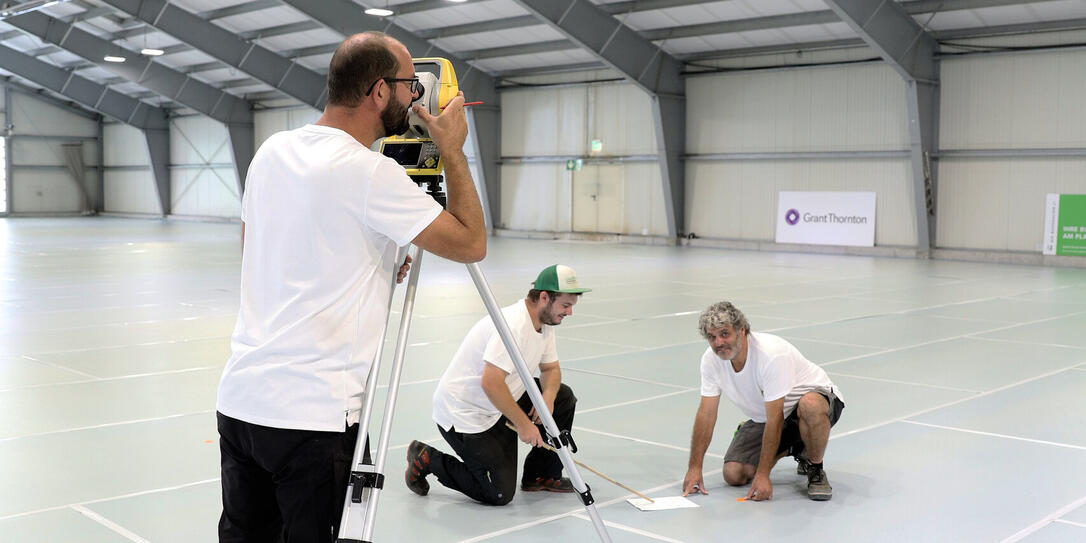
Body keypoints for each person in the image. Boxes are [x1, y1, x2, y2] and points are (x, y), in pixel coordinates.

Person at [215, 32, 486, 542]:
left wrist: (370, 262)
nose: (413, 98)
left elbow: (260, 249)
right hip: (311, 417)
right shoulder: (370, 173)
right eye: (408, 86)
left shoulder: (271, 151)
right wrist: (451, 150)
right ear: (379, 92)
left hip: (241, 403)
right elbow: (471, 242)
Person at [404, 265, 590, 505]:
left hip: (500, 400)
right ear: (544, 297)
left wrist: (548, 397)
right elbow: (490, 383)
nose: (569, 312)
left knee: (562, 397)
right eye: (566, 305)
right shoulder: (513, 325)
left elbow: (551, 369)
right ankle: (427, 458)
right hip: (467, 412)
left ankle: (540, 474)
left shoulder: (545, 322)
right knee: (498, 493)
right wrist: (523, 424)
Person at [682, 301, 845, 502]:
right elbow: (706, 414)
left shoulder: (770, 355)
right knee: (734, 474)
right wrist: (694, 468)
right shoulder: (710, 360)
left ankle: (815, 467)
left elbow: (775, 417)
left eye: (725, 334)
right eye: (712, 337)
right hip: (769, 417)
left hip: (813, 404)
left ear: (741, 330)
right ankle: (797, 445)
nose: (718, 343)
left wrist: (763, 475)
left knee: (809, 406)